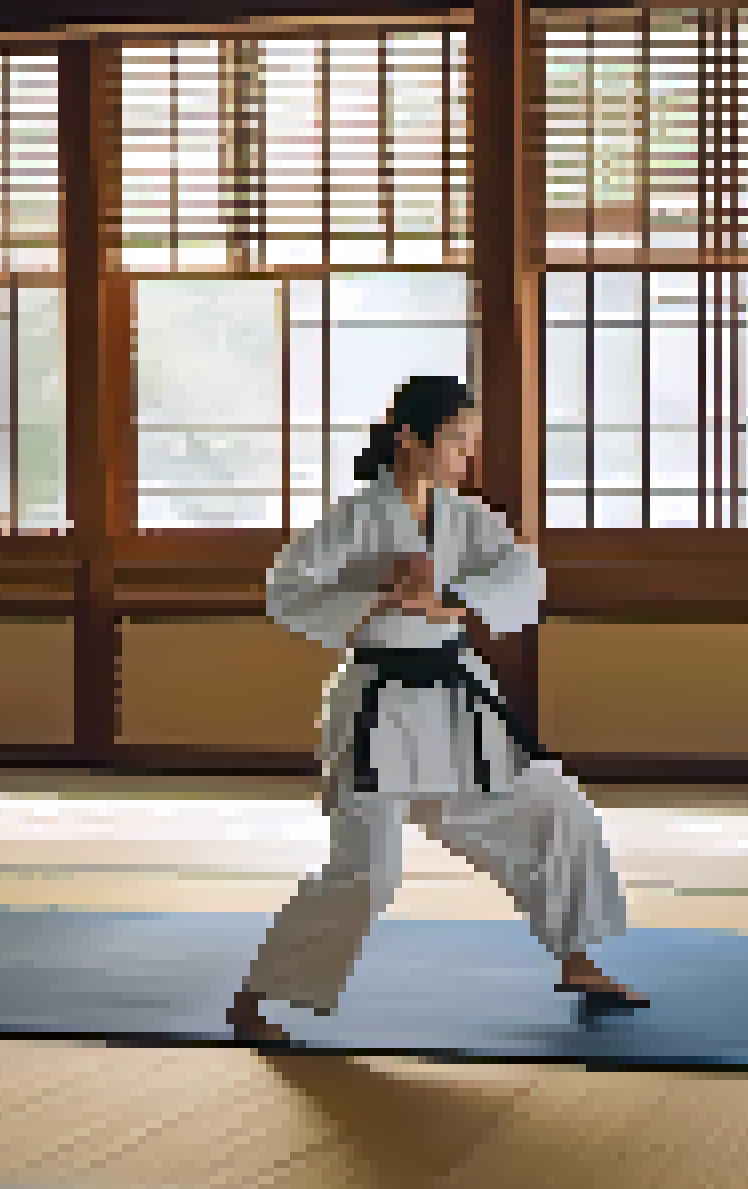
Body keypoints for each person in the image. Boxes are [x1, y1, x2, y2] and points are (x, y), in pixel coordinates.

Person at [226, 375, 644, 1044]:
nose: (464, 455)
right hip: (378, 712)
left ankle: (578, 960)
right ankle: (256, 1000)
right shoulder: (357, 516)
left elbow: (523, 577)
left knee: (555, 806)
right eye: (454, 439)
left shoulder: (465, 518)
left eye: (470, 441)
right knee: (369, 871)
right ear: (409, 440)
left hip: (454, 705)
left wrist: (450, 595)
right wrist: (379, 597)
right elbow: (285, 590)